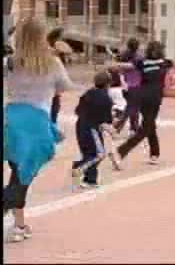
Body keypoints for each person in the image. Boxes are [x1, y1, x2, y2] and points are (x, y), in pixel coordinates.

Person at [4, 18, 74, 243]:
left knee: (18, 173)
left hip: (11, 120)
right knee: (23, 177)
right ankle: (15, 221)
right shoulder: (52, 62)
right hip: (37, 123)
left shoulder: (10, 62)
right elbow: (65, 86)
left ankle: (19, 225)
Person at [110, 41, 174, 167]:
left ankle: (154, 154)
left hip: (142, 96)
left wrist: (115, 64)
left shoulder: (142, 63)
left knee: (149, 123)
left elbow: (127, 66)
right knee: (147, 127)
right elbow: (170, 71)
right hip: (155, 97)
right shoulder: (166, 63)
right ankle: (121, 151)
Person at [71, 71, 115, 189]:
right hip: (92, 128)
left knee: (89, 153)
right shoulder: (106, 98)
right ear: (108, 84)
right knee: (98, 154)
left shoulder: (88, 93)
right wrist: (111, 130)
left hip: (80, 125)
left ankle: (90, 179)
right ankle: (79, 167)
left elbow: (77, 111)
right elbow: (107, 120)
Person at [115, 38, 143, 137]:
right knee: (131, 108)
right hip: (136, 86)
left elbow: (121, 70)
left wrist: (123, 82)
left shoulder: (123, 56)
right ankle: (118, 127)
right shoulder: (139, 58)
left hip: (126, 86)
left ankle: (133, 129)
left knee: (133, 108)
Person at [46, 27, 66, 125]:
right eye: (61, 36)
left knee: (54, 109)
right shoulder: (49, 50)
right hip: (48, 87)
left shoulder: (56, 51)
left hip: (53, 88)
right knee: (51, 110)